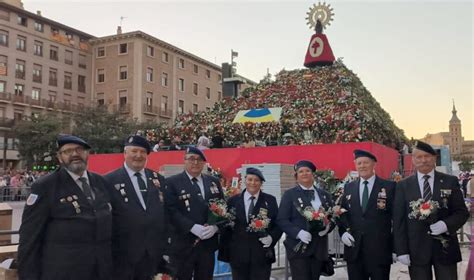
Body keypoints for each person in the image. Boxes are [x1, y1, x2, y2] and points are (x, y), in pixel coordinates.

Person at [18, 135, 113, 280]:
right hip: (64, 272)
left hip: (101, 270)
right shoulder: (45, 186)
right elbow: (29, 237)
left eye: (79, 149)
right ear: (60, 157)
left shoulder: (101, 182)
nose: (75, 154)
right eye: (68, 151)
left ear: (87, 154)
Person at [394, 140, 469, 280]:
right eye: (419, 157)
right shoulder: (403, 186)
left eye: (427, 156)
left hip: (445, 248)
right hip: (416, 250)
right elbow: (399, 220)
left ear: (434, 158)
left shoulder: (450, 181)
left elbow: (462, 212)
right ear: (413, 160)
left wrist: (446, 225)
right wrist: (401, 250)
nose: (423, 160)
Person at [105, 135, 169, 280]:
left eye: (142, 152)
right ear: (125, 153)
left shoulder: (158, 179)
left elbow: (166, 214)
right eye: (134, 151)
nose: (138, 156)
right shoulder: (108, 181)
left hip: (154, 256)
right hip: (123, 256)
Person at [164, 146, 225, 280]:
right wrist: (191, 227)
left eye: (199, 160)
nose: (195, 163)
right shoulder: (171, 182)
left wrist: (216, 227)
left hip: (207, 246)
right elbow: (170, 211)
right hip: (183, 245)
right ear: (184, 161)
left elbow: (221, 209)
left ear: (204, 163)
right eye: (191, 159)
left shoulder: (213, 182)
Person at [337, 149, 396, 280]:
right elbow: (343, 214)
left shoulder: (390, 187)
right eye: (359, 163)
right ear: (355, 165)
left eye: (366, 163)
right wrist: (343, 233)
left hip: (380, 251)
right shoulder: (349, 187)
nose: (362, 166)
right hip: (355, 250)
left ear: (374, 164)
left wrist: (396, 247)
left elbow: (397, 218)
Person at [219, 167, 282, 280]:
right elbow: (226, 226)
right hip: (238, 255)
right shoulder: (232, 201)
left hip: (262, 255)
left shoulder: (270, 200)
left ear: (261, 183)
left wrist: (272, 238)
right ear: (244, 180)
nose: (253, 183)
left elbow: (278, 224)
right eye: (250, 179)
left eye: (257, 180)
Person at [277, 160, 334, 280]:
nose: (304, 174)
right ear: (296, 176)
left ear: (313, 174)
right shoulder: (289, 195)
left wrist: (327, 229)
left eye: (307, 171)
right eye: (300, 171)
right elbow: (282, 219)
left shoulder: (324, 195)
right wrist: (298, 233)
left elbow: (332, 217)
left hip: (319, 247)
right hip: (299, 248)